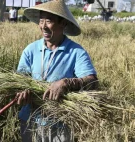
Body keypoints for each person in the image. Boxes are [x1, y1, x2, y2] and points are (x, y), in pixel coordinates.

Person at [16, 0, 98, 141]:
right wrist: (22, 90)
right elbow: (19, 79)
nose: (43, 26)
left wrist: (66, 83)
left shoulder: (76, 52)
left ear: (63, 23)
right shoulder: (31, 50)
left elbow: (93, 81)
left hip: (60, 124)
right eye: (41, 21)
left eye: (49, 21)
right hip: (30, 121)